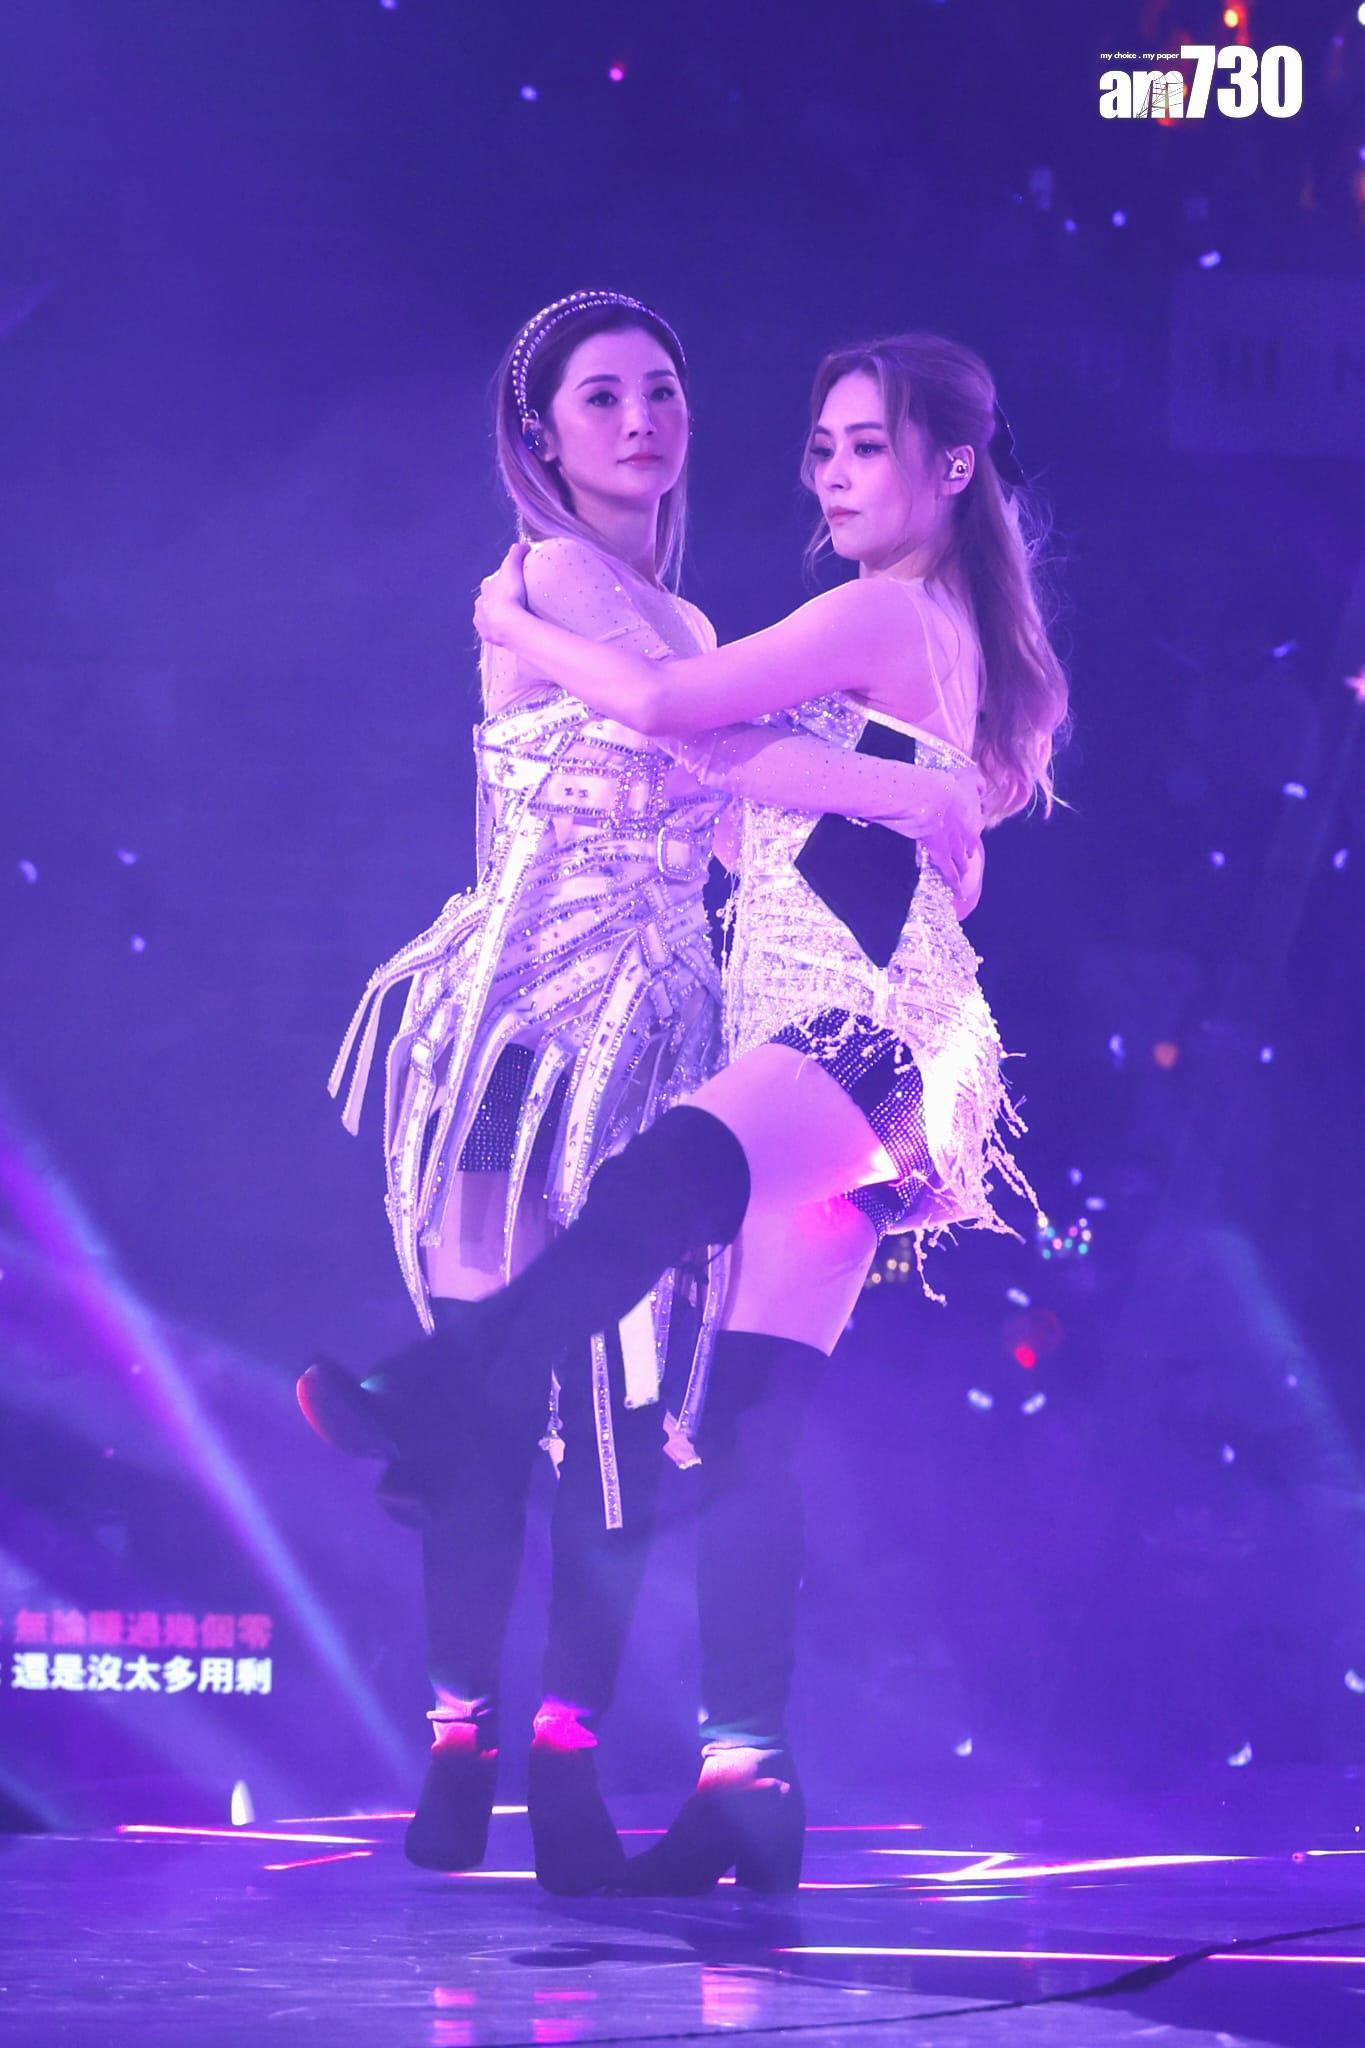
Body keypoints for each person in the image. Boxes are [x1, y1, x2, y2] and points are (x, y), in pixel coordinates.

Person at [299, 294, 985, 1893]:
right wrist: (928, 794)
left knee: (618, 1423)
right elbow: (695, 748)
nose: (639, 419)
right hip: (526, 1028)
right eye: (600, 397)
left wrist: (923, 808)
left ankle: (568, 1752)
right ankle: (467, 1738)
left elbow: (728, 776)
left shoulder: (700, 624)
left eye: (661, 390)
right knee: (534, 1404)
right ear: (539, 438)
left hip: (682, 1031)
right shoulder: (547, 577)